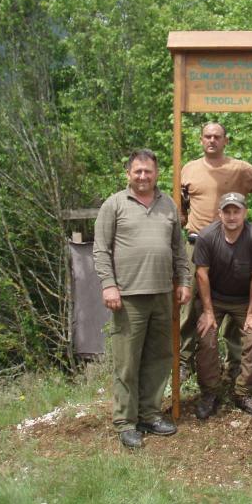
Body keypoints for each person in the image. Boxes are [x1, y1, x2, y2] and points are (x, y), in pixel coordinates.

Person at [93, 149, 191, 449]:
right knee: (127, 362)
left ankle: (150, 414)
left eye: (148, 171)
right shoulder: (114, 205)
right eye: (138, 171)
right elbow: (101, 249)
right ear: (128, 173)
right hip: (128, 297)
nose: (143, 176)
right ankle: (125, 422)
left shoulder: (168, 205)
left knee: (159, 358)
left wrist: (184, 281)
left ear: (156, 173)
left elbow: (178, 249)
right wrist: (109, 285)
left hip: (162, 294)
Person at [179, 121, 252, 380]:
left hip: (232, 246)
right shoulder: (189, 169)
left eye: (217, 136)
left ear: (226, 140)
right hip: (196, 245)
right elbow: (181, 206)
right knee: (189, 305)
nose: (212, 140)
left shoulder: (239, 168)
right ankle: (184, 361)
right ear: (201, 139)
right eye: (207, 136)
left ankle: (235, 365)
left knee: (232, 303)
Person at [193, 192, 252, 419]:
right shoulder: (207, 237)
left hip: (244, 300)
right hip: (214, 298)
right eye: (227, 212)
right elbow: (201, 275)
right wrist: (207, 312)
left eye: (237, 211)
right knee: (206, 337)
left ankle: (244, 392)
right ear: (220, 214)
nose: (232, 216)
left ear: (245, 213)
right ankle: (210, 392)